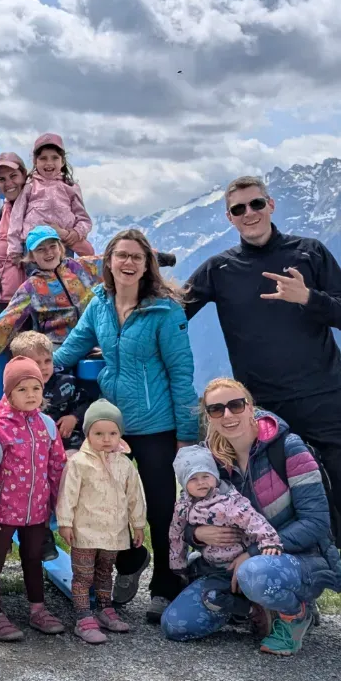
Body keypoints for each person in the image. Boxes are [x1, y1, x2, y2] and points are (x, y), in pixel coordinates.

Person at [184, 174, 341, 656]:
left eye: (256, 203)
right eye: (238, 209)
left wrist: (309, 298)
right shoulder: (220, 269)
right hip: (263, 413)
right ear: (229, 217)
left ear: (271, 204)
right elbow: (172, 309)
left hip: (326, 400)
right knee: (268, 510)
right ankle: (291, 601)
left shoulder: (310, 253)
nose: (249, 214)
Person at [54, 229, 198, 622]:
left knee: (160, 510)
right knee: (106, 505)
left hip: (156, 426)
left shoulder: (165, 311)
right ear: (109, 262)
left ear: (148, 265)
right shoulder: (99, 304)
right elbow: (71, 349)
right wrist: (33, 366)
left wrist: (187, 435)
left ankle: (165, 587)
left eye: (137, 257)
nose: (129, 263)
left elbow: (182, 374)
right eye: (122, 255)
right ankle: (132, 561)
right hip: (110, 427)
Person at [159, 379, 341, 656]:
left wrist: (254, 553)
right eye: (216, 409)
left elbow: (316, 523)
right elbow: (187, 513)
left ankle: (296, 613)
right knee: (176, 624)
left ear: (250, 407)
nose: (227, 415)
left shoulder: (290, 449)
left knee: (255, 573)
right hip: (230, 563)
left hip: (293, 558)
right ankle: (252, 608)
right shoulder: (209, 461)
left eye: (235, 405)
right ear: (208, 416)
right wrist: (194, 535)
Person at [0, 357, 68, 642]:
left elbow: (57, 467)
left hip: (37, 511)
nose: (30, 395)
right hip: (3, 513)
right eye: (22, 389)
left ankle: (38, 609)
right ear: (9, 393)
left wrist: (58, 507)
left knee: (33, 558)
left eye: (36, 388)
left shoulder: (47, 426)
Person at [56, 400, 146, 645]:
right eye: (98, 434)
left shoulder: (125, 464)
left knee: (106, 572)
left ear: (120, 434)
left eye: (113, 433)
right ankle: (83, 617)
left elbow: (135, 496)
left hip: (113, 532)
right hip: (85, 531)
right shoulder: (78, 463)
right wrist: (65, 523)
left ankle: (105, 609)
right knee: (83, 575)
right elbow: (67, 494)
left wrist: (138, 524)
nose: (106, 439)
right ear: (87, 434)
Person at [167, 446, 282, 599]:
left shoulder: (228, 501)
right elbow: (176, 532)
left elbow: (253, 520)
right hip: (208, 562)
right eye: (193, 478)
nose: (201, 482)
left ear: (215, 476)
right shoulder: (183, 505)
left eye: (206, 476)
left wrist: (269, 541)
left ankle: (247, 605)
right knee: (198, 596)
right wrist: (178, 563)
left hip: (235, 561)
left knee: (218, 597)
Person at [0, 225, 103, 356]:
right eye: (40, 249)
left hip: (92, 340)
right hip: (58, 345)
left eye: (52, 246)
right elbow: (8, 318)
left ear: (60, 248)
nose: (48, 252)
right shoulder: (31, 287)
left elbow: (113, 260)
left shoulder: (83, 267)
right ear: (32, 256)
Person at [6, 133, 94, 261]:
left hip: (62, 245)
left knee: (63, 274)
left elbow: (84, 219)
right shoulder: (30, 186)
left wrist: (75, 233)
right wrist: (14, 250)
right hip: (34, 246)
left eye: (54, 158)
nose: (49, 163)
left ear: (62, 161)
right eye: (43, 158)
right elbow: (16, 217)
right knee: (36, 274)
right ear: (35, 161)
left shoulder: (70, 187)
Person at [10, 330, 92, 455]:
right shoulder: (15, 388)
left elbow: (87, 404)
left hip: (67, 445)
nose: (44, 367)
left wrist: (74, 417)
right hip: (30, 448)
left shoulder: (66, 383)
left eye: (48, 361)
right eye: (36, 362)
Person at [0, 151, 29, 320]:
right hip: (7, 306)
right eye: (1, 179)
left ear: (24, 175)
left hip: (44, 304)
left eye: (13, 176)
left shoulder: (44, 214)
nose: (9, 183)